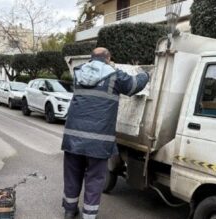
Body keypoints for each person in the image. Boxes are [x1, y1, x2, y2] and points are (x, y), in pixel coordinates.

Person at [61, 47, 150, 219]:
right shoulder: (114, 75)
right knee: (94, 179)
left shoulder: (78, 73)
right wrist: (145, 75)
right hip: (99, 141)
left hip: (73, 137)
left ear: (91, 58)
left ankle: (69, 211)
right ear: (108, 58)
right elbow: (133, 86)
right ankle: (89, 216)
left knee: (72, 175)